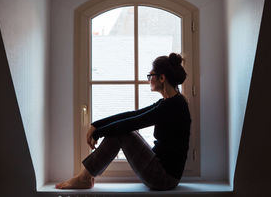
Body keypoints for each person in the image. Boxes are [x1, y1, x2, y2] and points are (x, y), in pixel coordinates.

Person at [55, 53, 191, 191]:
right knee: (123, 131)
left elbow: (133, 122)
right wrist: (96, 125)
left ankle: (84, 178)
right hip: (161, 172)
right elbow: (133, 115)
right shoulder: (170, 102)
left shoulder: (173, 106)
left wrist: (98, 133)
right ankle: (85, 177)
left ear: (162, 78)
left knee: (123, 133)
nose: (148, 80)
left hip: (164, 179)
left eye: (151, 76)